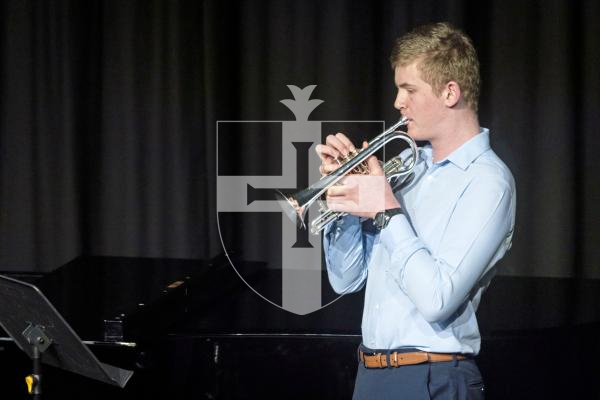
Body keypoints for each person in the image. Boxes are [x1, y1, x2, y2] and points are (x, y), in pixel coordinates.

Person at [316, 22, 516, 399]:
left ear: (450, 92)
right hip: (371, 373)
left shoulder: (488, 182)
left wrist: (385, 208)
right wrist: (342, 199)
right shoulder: (410, 165)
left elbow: (437, 299)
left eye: (408, 89)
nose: (397, 103)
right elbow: (346, 280)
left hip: (430, 377)